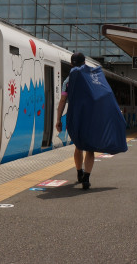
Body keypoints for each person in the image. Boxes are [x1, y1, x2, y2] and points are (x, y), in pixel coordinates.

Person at [55, 52, 94, 190]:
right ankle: (86, 179)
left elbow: (63, 100)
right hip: (89, 117)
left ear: (71, 64)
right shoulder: (91, 78)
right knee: (90, 148)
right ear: (84, 63)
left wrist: (59, 119)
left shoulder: (68, 80)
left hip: (74, 116)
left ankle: (79, 172)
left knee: (78, 146)